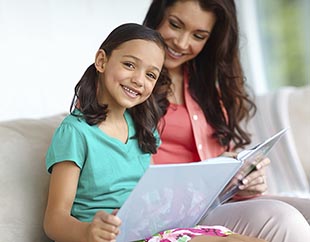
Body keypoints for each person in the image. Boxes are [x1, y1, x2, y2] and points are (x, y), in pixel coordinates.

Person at [43, 23, 266, 242]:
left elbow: (150, 196)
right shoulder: (75, 132)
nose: (139, 80)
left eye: (151, 75)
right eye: (130, 65)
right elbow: (54, 221)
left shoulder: (142, 127)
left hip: (153, 231)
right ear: (102, 61)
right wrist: (88, 232)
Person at [142, 0, 310, 241]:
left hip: (216, 203)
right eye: (175, 25)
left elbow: (223, 159)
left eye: (198, 36)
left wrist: (244, 177)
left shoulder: (209, 88)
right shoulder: (131, 81)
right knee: (284, 222)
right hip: (170, 213)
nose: (181, 43)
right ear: (158, 15)